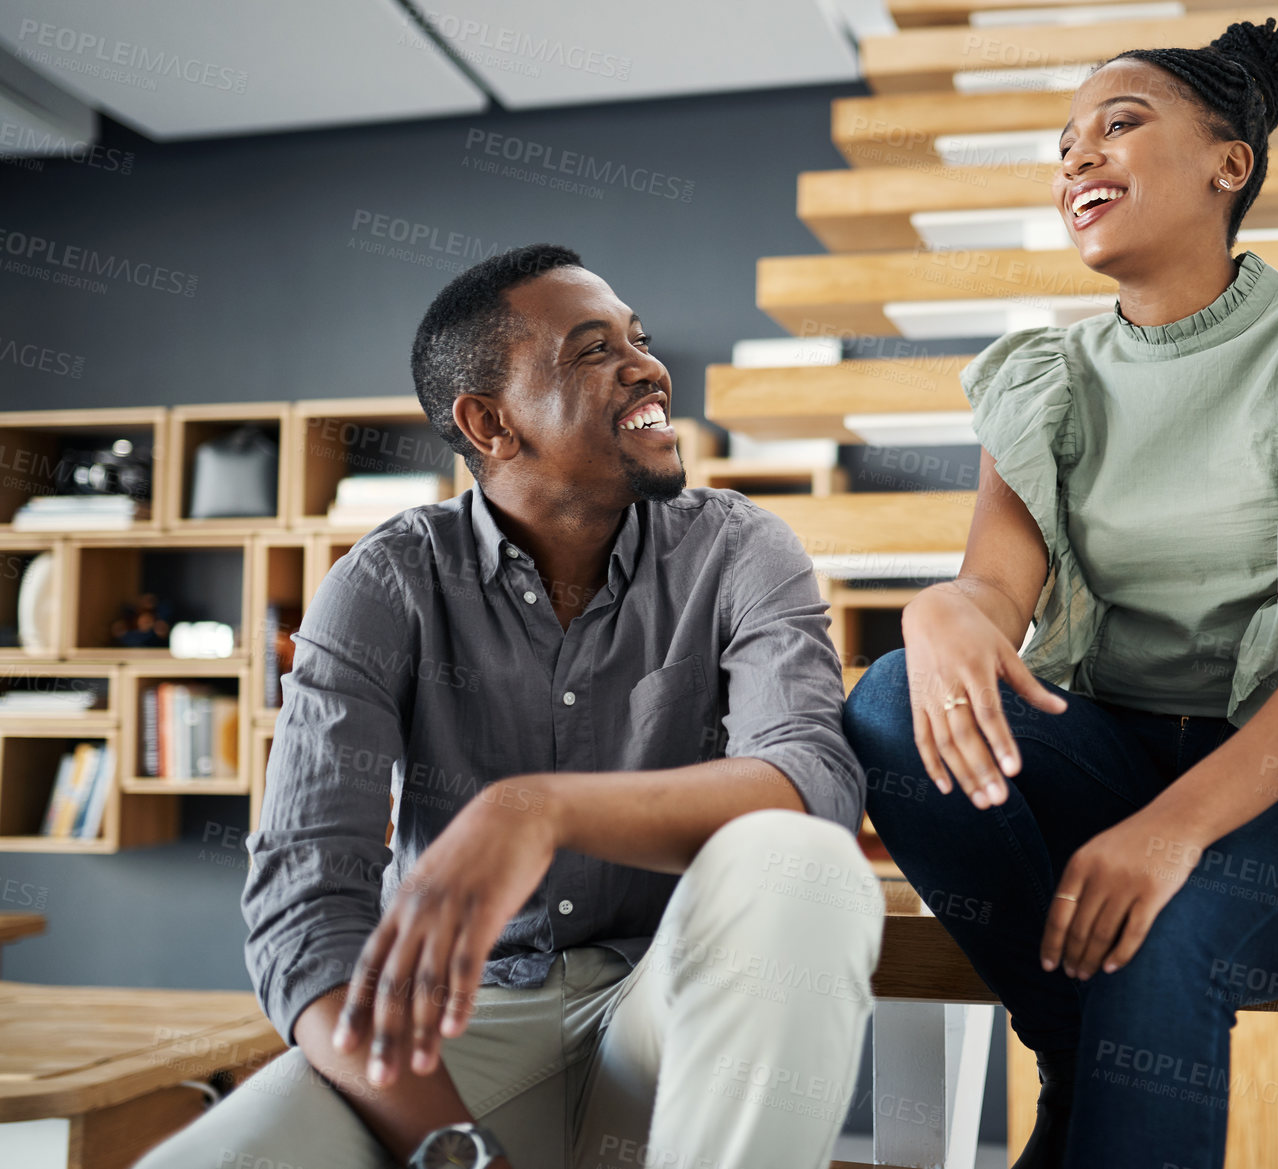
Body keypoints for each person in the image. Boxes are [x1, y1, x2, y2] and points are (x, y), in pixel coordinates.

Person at [843, 18, 1278, 1169]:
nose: (1079, 158)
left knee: (1162, 930)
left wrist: (1171, 831)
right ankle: (1074, 1044)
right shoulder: (1047, 379)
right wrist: (938, 612)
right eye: (1065, 146)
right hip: (1107, 754)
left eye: (1119, 126)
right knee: (884, 699)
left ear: (1232, 163)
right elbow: (992, 589)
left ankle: (1082, 1074)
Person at [139, 244, 885, 1169]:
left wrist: (537, 807)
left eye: (638, 339)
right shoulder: (383, 584)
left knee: (800, 861)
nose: (647, 366)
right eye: (592, 349)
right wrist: (457, 1150)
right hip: (455, 1037)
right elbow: (308, 910)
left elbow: (813, 782)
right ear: (490, 423)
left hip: (670, 1016)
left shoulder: (740, 550)